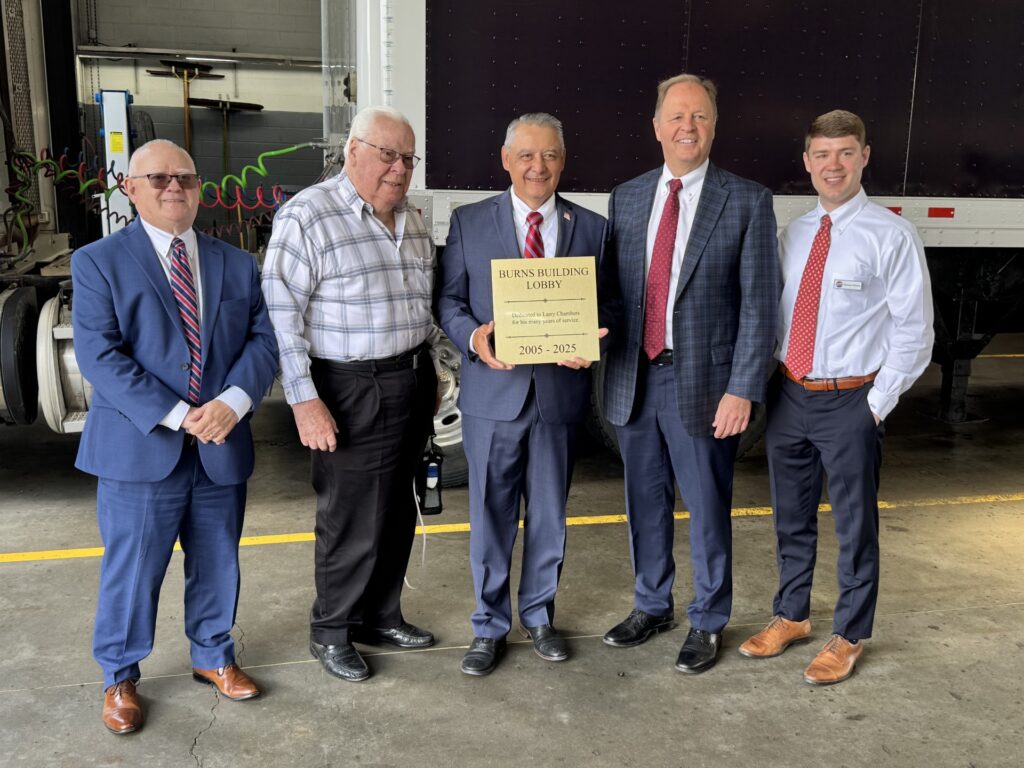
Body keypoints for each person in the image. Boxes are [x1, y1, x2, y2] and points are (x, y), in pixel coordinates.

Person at [72, 139, 279, 734]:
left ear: (199, 188)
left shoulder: (236, 263)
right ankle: (119, 676)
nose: (174, 188)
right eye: (159, 178)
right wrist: (178, 414)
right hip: (142, 446)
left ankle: (213, 654)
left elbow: (263, 341)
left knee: (217, 560)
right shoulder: (98, 262)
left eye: (185, 178)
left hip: (220, 444)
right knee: (133, 569)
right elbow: (100, 355)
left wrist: (232, 404)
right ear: (131, 189)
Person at [738, 110, 933, 684]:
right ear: (807, 161)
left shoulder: (891, 235)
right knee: (790, 516)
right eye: (822, 154)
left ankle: (848, 634)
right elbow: (774, 315)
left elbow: (915, 330)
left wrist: (876, 403)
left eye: (846, 153)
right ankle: (792, 615)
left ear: (864, 157)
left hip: (851, 400)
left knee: (855, 524)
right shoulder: (793, 234)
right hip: (790, 393)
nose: (833, 165)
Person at [599, 74, 780, 673]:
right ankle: (652, 606)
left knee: (706, 507)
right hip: (634, 377)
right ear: (656, 127)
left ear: (714, 126)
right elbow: (613, 293)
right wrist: (583, 330)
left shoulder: (746, 200)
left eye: (699, 116)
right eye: (676, 116)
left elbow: (760, 305)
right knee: (643, 503)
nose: (687, 127)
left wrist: (743, 388)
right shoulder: (627, 197)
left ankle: (707, 619)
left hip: (704, 383)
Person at [262, 106, 440, 683]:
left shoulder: (414, 221)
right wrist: (304, 400)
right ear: (353, 151)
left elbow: (424, 310)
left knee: (398, 509)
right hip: (349, 387)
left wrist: (435, 372)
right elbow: (281, 318)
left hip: (411, 378)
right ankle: (332, 630)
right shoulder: (308, 216)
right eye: (387, 155)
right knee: (350, 516)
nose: (399, 168)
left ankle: (381, 616)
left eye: (408, 158)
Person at [438, 113, 607, 676]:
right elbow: (449, 301)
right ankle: (489, 627)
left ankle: (538, 616)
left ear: (563, 160)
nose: (539, 166)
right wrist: (473, 337)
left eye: (550, 155)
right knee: (490, 515)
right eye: (527, 155)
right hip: (493, 397)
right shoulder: (469, 222)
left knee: (550, 515)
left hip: (559, 395)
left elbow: (609, 303)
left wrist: (593, 339)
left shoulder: (591, 227)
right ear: (506, 160)